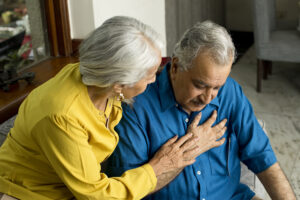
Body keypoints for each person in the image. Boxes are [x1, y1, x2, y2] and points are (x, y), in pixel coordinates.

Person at [0, 16, 226, 200]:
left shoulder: (101, 80)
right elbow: (98, 196)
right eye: (148, 76)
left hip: (71, 187)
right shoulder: (62, 115)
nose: (154, 81)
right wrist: (159, 166)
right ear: (119, 83)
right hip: (30, 193)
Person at [105, 21, 296, 200]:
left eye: (216, 88)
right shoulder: (135, 107)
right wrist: (192, 148)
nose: (207, 98)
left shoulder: (230, 92)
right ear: (176, 67)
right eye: (200, 85)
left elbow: (261, 156)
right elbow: (128, 191)